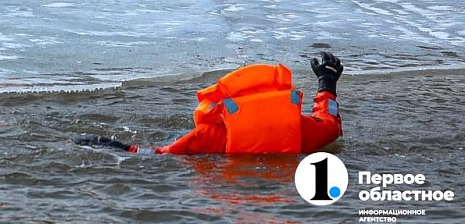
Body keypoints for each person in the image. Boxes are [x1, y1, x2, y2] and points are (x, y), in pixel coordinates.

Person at [77, 53, 344, 155]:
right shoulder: (301, 130)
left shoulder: (214, 134)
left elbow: (160, 154)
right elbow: (331, 125)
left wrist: (123, 148)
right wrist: (326, 81)